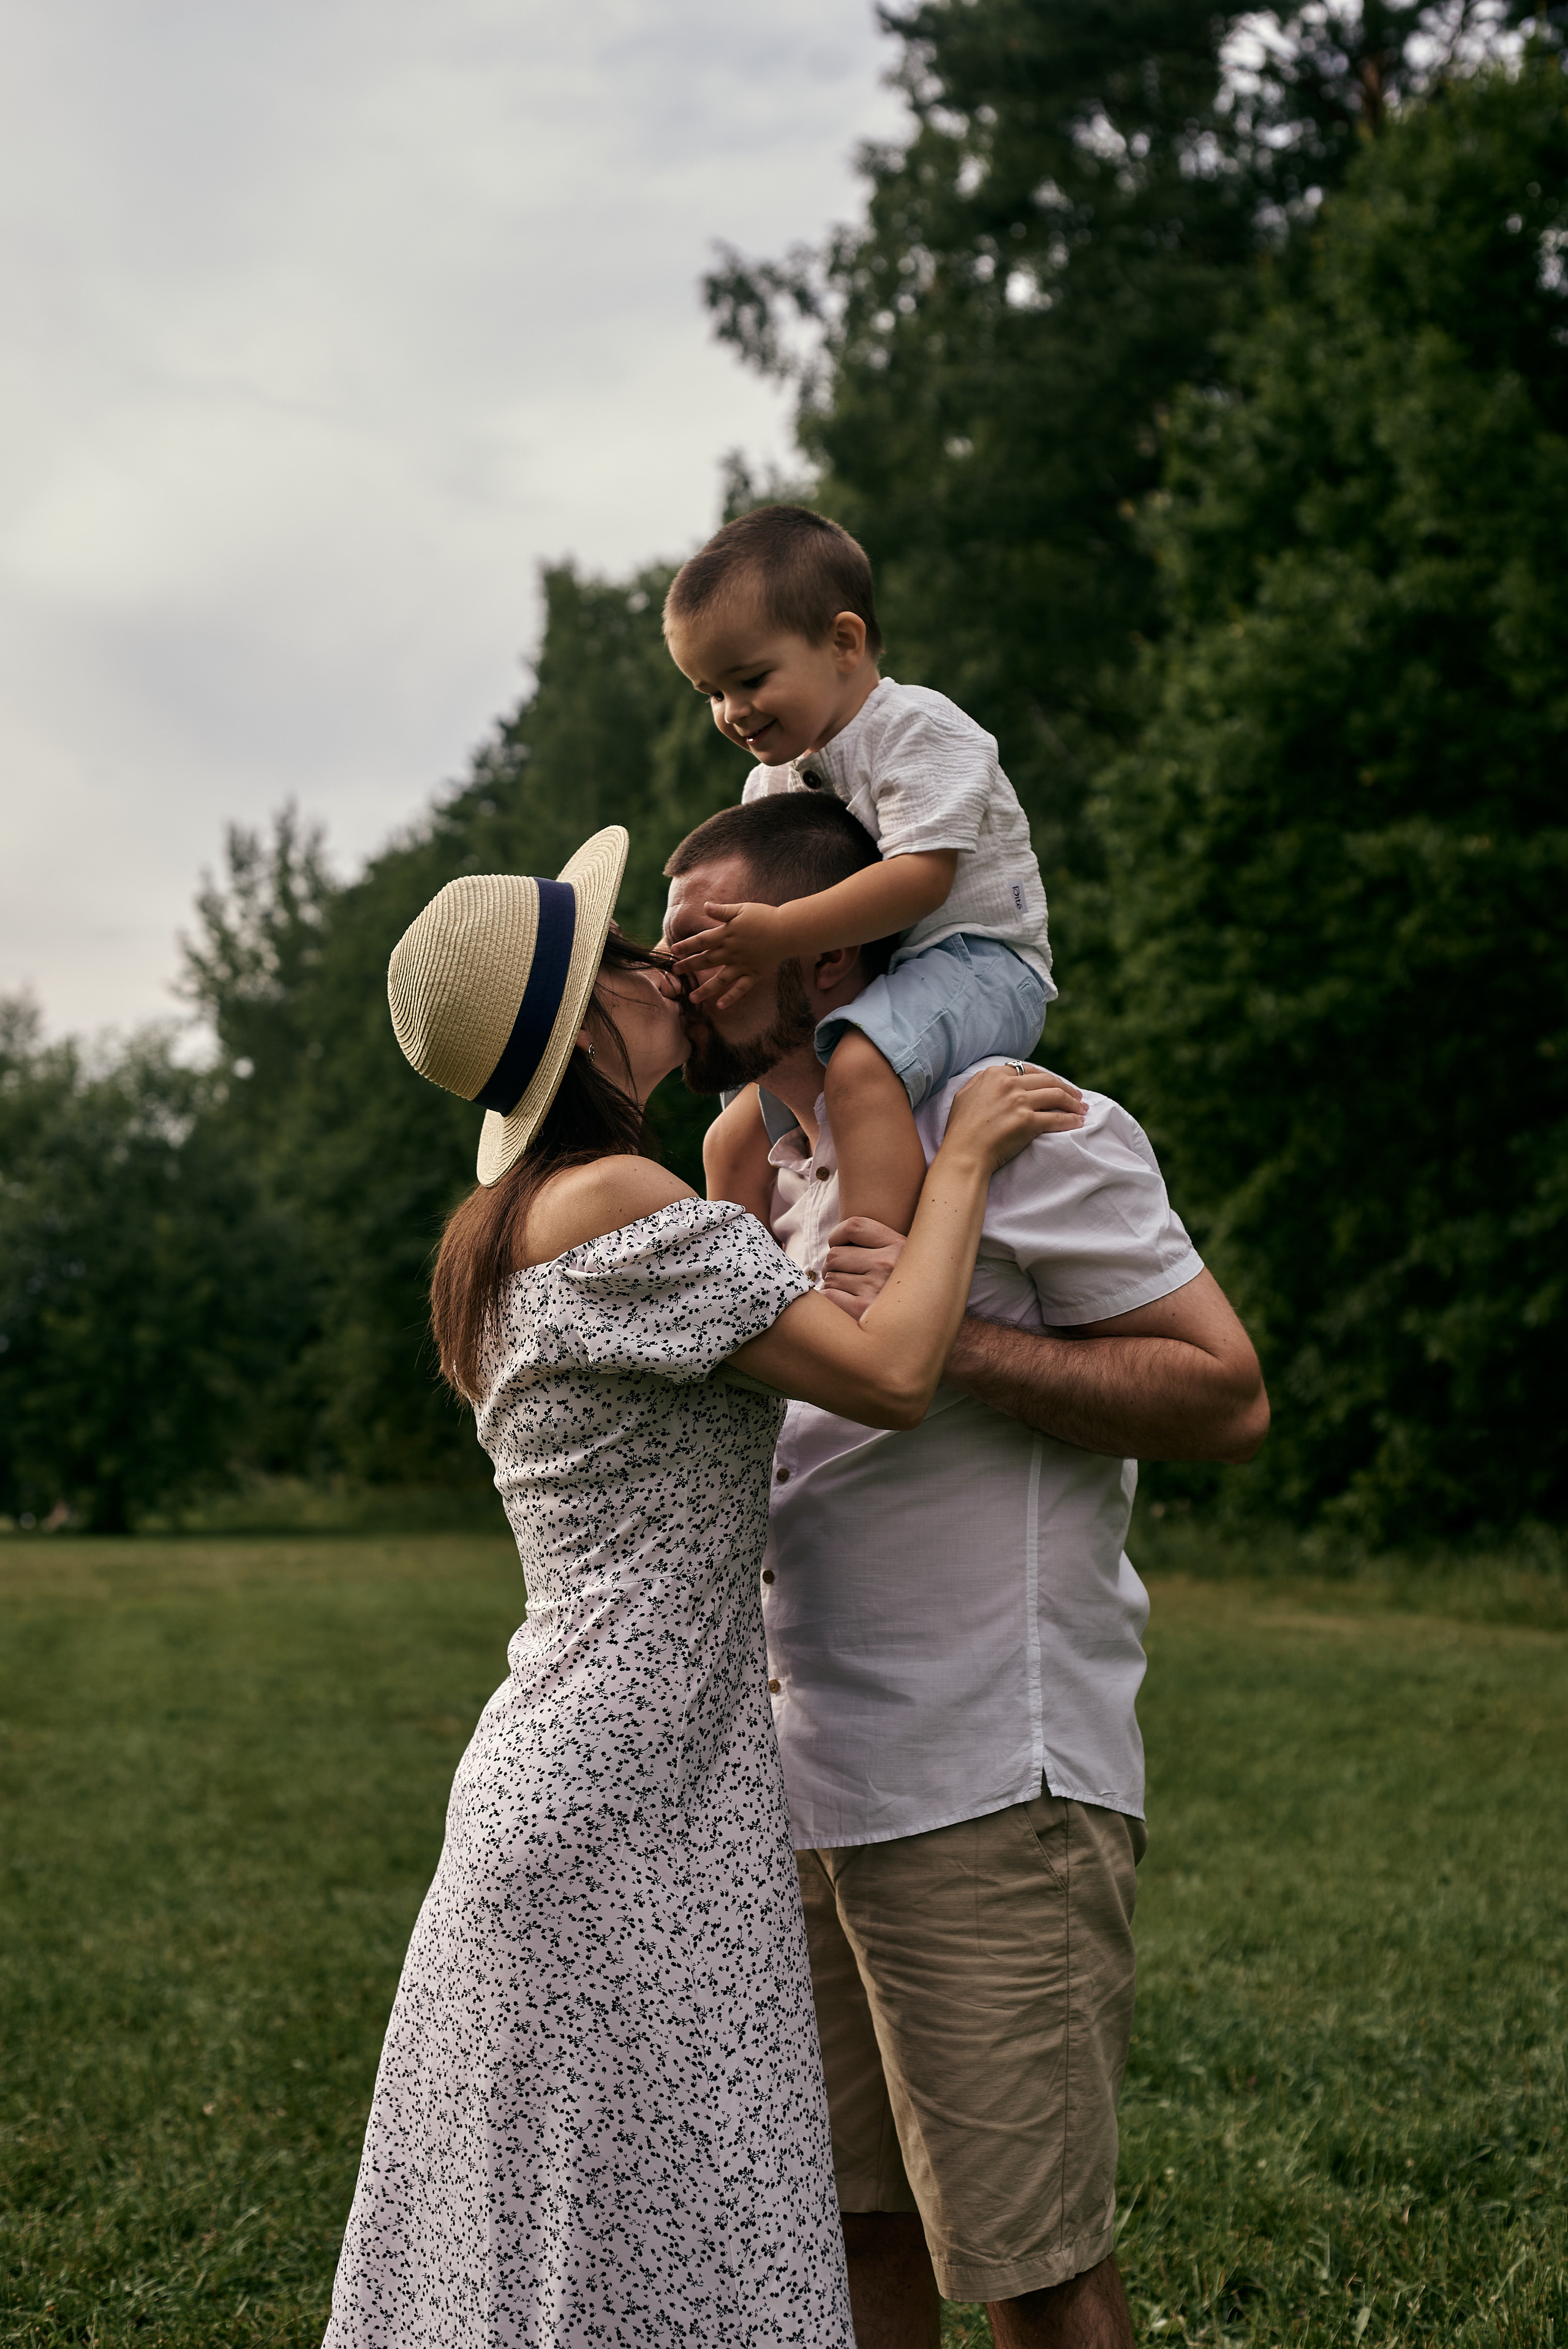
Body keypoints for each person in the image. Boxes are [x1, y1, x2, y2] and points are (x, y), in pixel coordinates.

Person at [323, 824, 1084, 2349]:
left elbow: (756, 1204)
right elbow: (888, 1374)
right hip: (627, 1794)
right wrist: (964, 1160)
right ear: (583, 1019)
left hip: (591, 1771)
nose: (660, 963)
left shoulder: (525, 1223)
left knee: (577, 2243)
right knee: (651, 2236)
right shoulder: (612, 1199)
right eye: (622, 951)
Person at [663, 796, 1270, 2349]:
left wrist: (956, 1343)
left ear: (827, 957)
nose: (673, 973)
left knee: (1028, 2264)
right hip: (794, 1788)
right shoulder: (758, 1169)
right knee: (844, 2233)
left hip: (983, 1778)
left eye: (706, 940)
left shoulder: (1024, 1128)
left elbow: (1223, 1397)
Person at [663, 502, 1053, 1240]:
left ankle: (872, 1259)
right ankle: (740, 1289)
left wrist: (780, 933)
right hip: (872, 981)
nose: (732, 711)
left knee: (860, 1069)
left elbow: (920, 880)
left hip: (980, 963)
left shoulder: (916, 728)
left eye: (749, 680)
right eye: (711, 693)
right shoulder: (770, 782)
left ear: (843, 642)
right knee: (729, 1135)